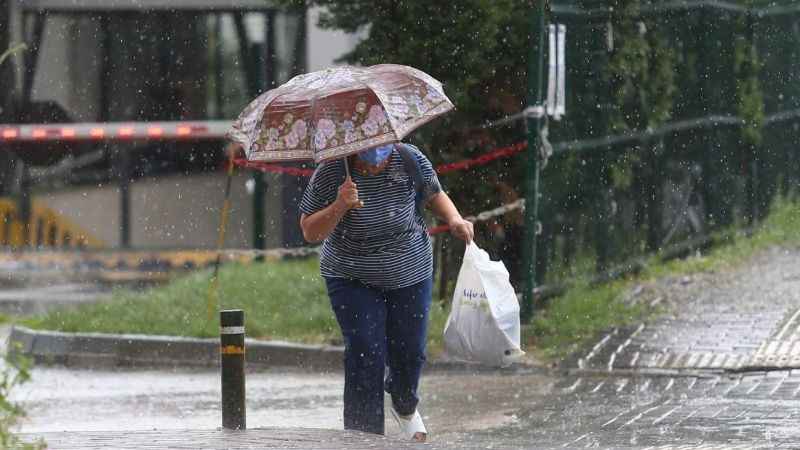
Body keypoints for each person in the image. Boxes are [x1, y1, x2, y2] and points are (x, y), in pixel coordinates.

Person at [299, 142, 473, 442]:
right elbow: (310, 231)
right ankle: (363, 436)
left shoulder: (409, 158)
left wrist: (454, 219)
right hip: (351, 275)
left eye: (384, 146)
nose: (378, 154)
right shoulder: (332, 170)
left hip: (410, 271)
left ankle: (405, 404)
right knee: (365, 351)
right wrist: (340, 204)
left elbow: (434, 194)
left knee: (411, 352)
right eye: (369, 147)